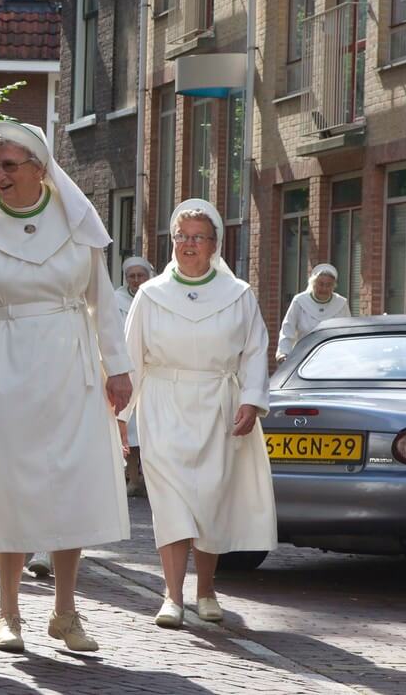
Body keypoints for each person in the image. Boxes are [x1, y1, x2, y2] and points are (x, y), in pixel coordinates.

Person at [0, 121, 132, 654]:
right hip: (3, 363)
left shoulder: (77, 219)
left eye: (9, 165)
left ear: (39, 169)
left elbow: (102, 298)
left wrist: (118, 367)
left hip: (71, 363)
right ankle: (8, 611)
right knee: (9, 484)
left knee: (71, 482)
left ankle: (65, 611)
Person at [121, 198, 276, 630]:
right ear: (172, 241)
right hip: (163, 402)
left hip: (218, 405)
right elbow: (131, 357)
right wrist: (119, 414)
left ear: (214, 244)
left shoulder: (238, 295)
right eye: (182, 236)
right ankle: (172, 596)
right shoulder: (150, 295)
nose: (189, 244)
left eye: (198, 237)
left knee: (209, 499)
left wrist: (251, 399)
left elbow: (254, 351)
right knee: (171, 501)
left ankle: (205, 590)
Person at [115, 256, 155, 497]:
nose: (136, 280)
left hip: (152, 369)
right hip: (127, 367)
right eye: (132, 276)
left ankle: (149, 477)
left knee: (148, 427)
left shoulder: (156, 297)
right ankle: (132, 477)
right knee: (128, 427)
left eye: (141, 275)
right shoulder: (115, 301)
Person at [276, 263, 350, 363]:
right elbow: (288, 328)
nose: (324, 289)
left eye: (328, 285)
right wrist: (284, 353)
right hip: (304, 357)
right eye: (320, 284)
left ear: (334, 286)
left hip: (333, 359)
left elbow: (348, 332)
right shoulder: (300, 301)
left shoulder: (341, 303)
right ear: (313, 283)